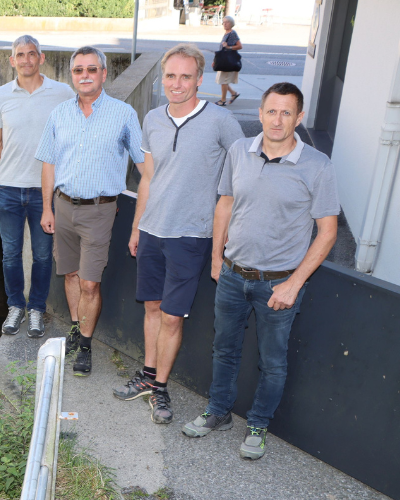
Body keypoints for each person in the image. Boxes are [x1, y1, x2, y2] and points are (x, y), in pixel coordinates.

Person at [182, 82, 339, 460]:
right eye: (272, 111)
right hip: (233, 276)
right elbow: (225, 204)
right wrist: (218, 259)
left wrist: (293, 285)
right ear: (260, 113)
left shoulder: (317, 166)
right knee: (224, 349)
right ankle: (217, 412)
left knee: (272, 362)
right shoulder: (239, 150)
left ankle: (258, 425)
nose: (278, 119)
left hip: (279, 284)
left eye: (287, 112)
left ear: (299, 118)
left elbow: (328, 232)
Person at [114, 44, 244, 424]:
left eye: (185, 76)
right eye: (170, 76)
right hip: (152, 229)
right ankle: (148, 375)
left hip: (191, 235)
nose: (177, 83)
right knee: (152, 308)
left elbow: (241, 179)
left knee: (172, 317)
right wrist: (137, 227)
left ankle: (161, 388)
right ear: (162, 78)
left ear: (200, 80)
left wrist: (222, 243)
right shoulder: (152, 118)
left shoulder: (221, 122)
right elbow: (149, 179)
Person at [36, 46, 145, 375]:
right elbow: (48, 165)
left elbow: (146, 168)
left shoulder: (124, 115)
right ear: (72, 76)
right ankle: (74, 328)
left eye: (91, 69)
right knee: (69, 274)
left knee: (89, 284)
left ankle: (85, 344)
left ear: (104, 74)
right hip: (63, 206)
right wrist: (47, 209)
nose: (85, 76)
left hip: (99, 211)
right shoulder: (59, 115)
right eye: (78, 70)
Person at [0, 35, 75, 338]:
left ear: (41, 58)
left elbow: (73, 138)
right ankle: (15, 307)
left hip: (44, 192)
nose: (26, 60)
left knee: (43, 255)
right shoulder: (0, 96)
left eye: (31, 54)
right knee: (10, 254)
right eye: (20, 55)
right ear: (12, 61)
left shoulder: (62, 93)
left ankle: (36, 308)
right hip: (8, 189)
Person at [215, 15, 242, 106]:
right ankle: (234, 93)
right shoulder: (227, 33)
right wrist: (216, 61)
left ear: (231, 24)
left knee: (224, 81)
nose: (225, 24)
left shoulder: (232, 33)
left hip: (228, 62)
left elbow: (240, 46)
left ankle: (223, 100)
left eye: (227, 22)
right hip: (223, 60)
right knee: (223, 80)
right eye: (224, 22)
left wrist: (229, 47)